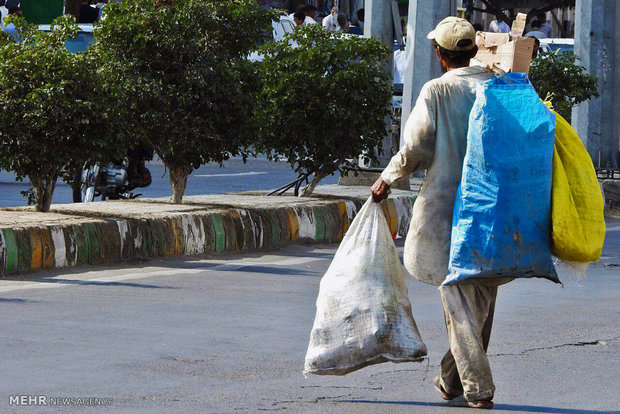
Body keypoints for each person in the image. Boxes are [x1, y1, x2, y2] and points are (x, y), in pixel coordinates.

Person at [370, 16, 499, 409]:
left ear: (440, 55)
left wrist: (387, 180)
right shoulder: (498, 88)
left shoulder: (437, 91)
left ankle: (478, 389)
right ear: (474, 51)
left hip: (448, 211)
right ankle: (450, 380)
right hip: (495, 210)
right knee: (481, 299)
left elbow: (416, 148)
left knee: (459, 300)